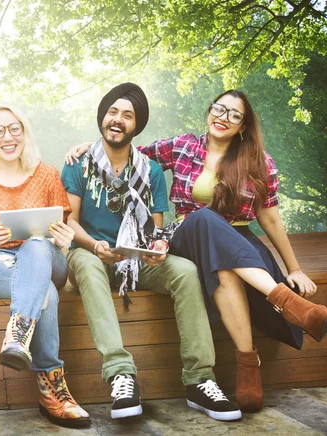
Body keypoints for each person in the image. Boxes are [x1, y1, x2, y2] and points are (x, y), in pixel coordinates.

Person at [65, 89, 327, 413]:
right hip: (187, 234)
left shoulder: (258, 162)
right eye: (219, 109)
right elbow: (129, 151)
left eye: (234, 115)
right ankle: (287, 302)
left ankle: (247, 363)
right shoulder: (183, 146)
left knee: (222, 266)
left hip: (237, 243)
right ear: (209, 112)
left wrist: (294, 268)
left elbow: (272, 218)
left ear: (244, 126)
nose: (223, 117)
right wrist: (89, 147)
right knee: (203, 218)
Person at [61, 83, 241, 422]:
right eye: (112, 112)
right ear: (102, 117)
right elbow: (70, 220)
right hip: (91, 253)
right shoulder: (78, 163)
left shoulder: (150, 170)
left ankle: (199, 379)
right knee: (84, 262)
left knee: (185, 271)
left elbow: (154, 230)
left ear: (136, 125)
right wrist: (95, 245)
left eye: (127, 115)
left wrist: (157, 248)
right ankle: (120, 373)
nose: (117, 120)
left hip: (135, 260)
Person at [0, 104, 91, 428]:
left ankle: (17, 336)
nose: (8, 137)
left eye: (15, 128)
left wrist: (63, 239)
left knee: (37, 243)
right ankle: (53, 390)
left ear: (24, 132)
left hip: (48, 259)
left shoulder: (46, 173)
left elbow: (63, 225)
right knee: (42, 289)